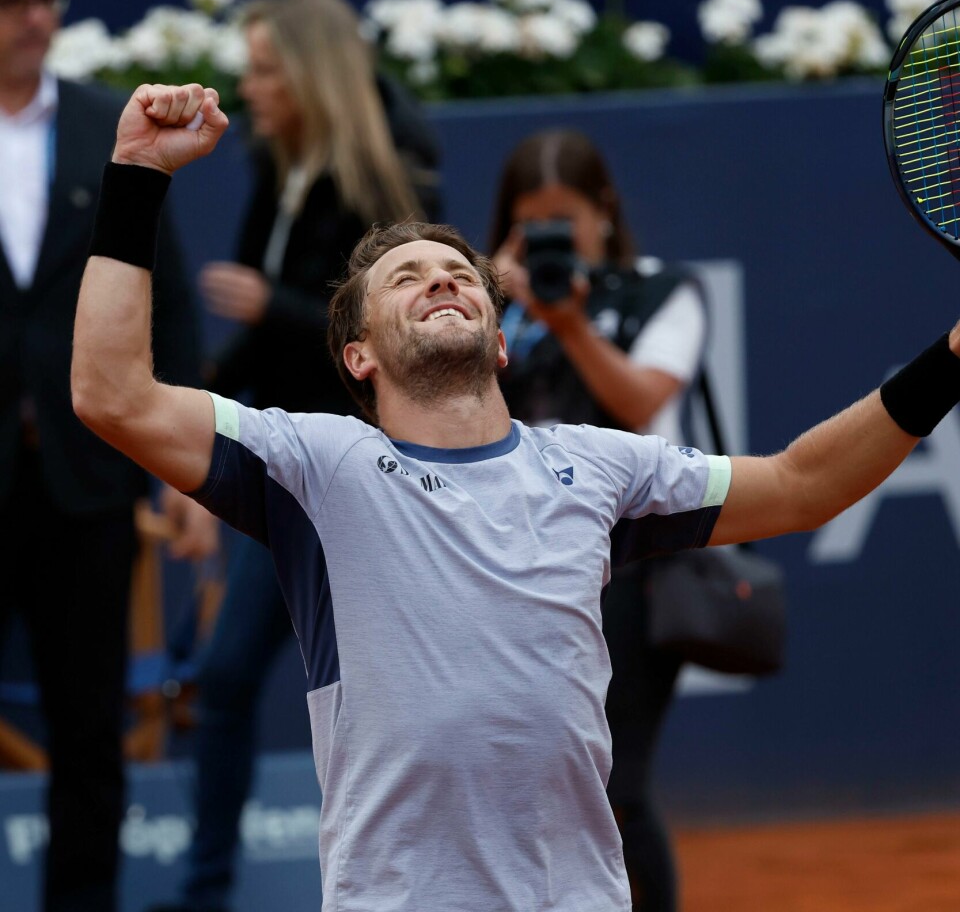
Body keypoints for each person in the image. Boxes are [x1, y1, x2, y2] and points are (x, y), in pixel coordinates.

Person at [71, 82, 960, 912]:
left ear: (500, 345)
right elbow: (112, 394)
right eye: (406, 278)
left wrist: (950, 359)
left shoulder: (604, 469)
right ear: (358, 356)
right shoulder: (315, 465)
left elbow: (804, 484)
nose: (442, 281)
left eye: (459, 275)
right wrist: (138, 175)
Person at [149, 0, 441, 912]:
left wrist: (267, 307)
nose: (250, 84)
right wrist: (187, 410)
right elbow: (262, 339)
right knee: (232, 680)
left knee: (352, 697)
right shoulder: (280, 169)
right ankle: (206, 891)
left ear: (312, 75)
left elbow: (388, 332)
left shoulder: (380, 184)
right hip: (291, 470)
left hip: (361, 479)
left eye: (267, 68)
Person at [0, 0, 216, 909]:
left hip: (86, 480)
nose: (34, 18)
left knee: (90, 728)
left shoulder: (105, 125)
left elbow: (161, 296)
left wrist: (182, 471)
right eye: (12, 1)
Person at [488, 128, 708, 911]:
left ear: (604, 211)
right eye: (533, 221)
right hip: (509, 568)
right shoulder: (485, 305)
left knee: (617, 780)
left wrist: (569, 322)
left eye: (566, 218)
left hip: (633, 572)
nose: (555, 236)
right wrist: (497, 303)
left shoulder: (663, 291)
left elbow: (640, 402)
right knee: (527, 785)